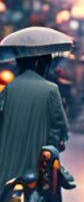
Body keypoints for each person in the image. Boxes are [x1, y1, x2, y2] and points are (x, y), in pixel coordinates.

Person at [0, 54, 70, 185]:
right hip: (38, 166)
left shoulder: (10, 87)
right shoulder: (51, 89)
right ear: (38, 63)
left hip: (6, 166)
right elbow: (60, 125)